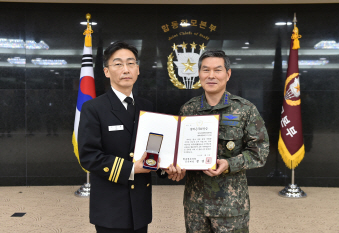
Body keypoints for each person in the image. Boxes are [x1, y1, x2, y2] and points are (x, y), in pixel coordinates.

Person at [168, 50, 269, 232]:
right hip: (195, 204)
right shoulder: (188, 109)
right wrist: (176, 167)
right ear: (199, 74)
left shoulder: (245, 109)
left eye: (218, 70)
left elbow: (260, 151)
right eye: (206, 70)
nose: (211, 75)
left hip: (231, 205)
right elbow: (178, 150)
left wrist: (229, 164)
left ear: (228, 74)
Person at [78, 41, 165, 233]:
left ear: (138, 70)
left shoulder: (147, 106)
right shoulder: (93, 108)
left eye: (131, 63)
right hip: (111, 208)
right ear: (107, 71)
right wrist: (132, 169)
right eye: (118, 64)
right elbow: (89, 156)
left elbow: (154, 147)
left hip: (140, 206)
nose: (126, 69)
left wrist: (167, 168)